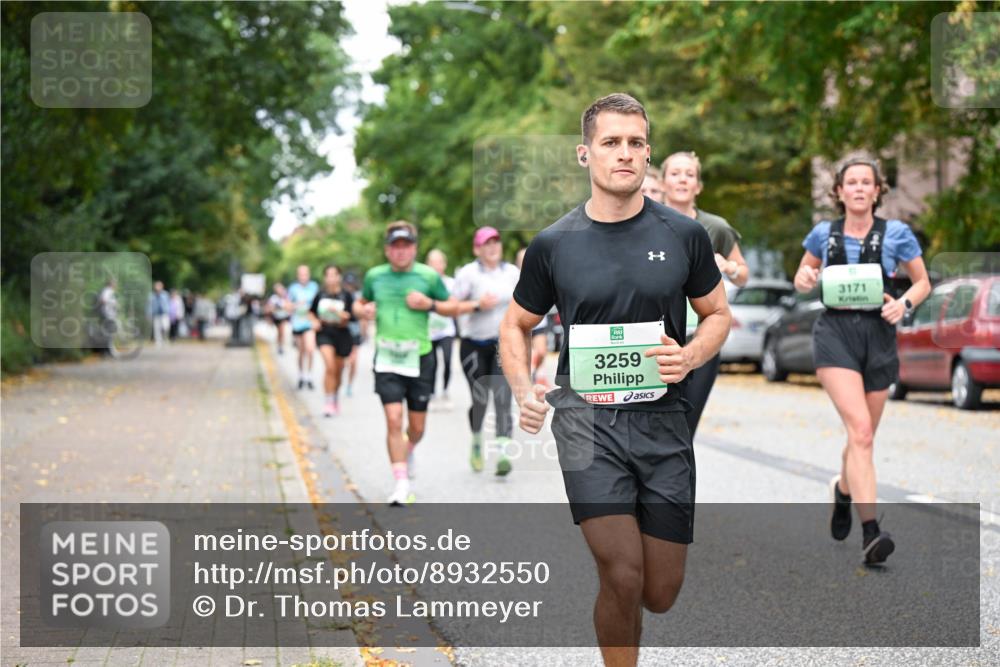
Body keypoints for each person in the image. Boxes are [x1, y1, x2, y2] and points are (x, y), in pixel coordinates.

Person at [500, 93, 730, 666]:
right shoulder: (554, 244)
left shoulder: (684, 235)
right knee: (622, 572)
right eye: (610, 142)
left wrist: (691, 355)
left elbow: (718, 315)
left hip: (664, 424)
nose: (624, 153)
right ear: (585, 154)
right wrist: (524, 392)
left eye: (635, 143)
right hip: (587, 425)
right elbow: (515, 324)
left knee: (659, 591)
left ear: (648, 154)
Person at [793, 156, 929, 565]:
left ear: (876, 191)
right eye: (850, 182)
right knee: (863, 432)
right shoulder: (823, 234)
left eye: (865, 182)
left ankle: (844, 491)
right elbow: (803, 275)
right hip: (835, 335)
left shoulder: (897, 233)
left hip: (879, 336)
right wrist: (805, 278)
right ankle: (872, 533)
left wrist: (903, 304)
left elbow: (922, 282)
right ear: (839, 191)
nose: (858, 188)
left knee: (861, 436)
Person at [353, 221, 457, 505]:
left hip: (420, 357)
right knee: (393, 419)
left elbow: (453, 306)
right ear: (387, 250)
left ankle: (407, 449)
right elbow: (359, 304)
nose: (400, 251)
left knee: (417, 428)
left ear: (414, 248)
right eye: (395, 246)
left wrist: (429, 304)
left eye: (406, 246)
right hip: (387, 358)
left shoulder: (428, 276)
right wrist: (363, 310)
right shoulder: (375, 276)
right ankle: (401, 484)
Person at [660, 151, 749, 437]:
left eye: (689, 175)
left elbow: (743, 275)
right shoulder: (645, 223)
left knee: (685, 429)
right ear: (662, 183)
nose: (682, 179)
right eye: (675, 173)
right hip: (657, 338)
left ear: (698, 186)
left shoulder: (715, 227)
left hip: (700, 339)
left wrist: (730, 267)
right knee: (656, 429)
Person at [451, 227, 520, 475]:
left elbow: (525, 303)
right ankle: (477, 440)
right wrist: (477, 305)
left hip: (502, 345)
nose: (492, 247)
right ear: (476, 249)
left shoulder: (512, 273)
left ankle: (503, 452)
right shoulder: (468, 274)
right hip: (473, 345)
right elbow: (451, 306)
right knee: (480, 399)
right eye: (486, 243)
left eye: (495, 242)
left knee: (502, 397)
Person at [309, 265, 355, 417]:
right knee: (329, 366)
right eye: (328, 275)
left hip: (341, 334)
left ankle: (334, 396)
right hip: (324, 333)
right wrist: (314, 321)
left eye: (334, 275)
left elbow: (352, 316)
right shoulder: (320, 294)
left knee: (338, 370)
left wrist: (342, 315)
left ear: (339, 277)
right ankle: (328, 402)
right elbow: (311, 312)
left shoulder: (346, 295)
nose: (331, 278)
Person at [516, 248, 552, 389]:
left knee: (541, 352)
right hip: (521, 323)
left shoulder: (540, 275)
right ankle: (526, 381)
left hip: (539, 322)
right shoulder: (513, 278)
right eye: (522, 259)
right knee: (524, 355)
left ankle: (536, 372)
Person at [425, 249, 457, 410]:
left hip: (446, 331)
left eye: (439, 262)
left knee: (447, 360)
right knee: (432, 364)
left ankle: (445, 391)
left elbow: (457, 305)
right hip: (429, 332)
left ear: (444, 264)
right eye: (432, 263)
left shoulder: (451, 283)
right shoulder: (424, 283)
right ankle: (431, 394)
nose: (436, 266)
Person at [288, 265, 319, 389]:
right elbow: (287, 306)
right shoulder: (293, 289)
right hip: (297, 323)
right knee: (301, 351)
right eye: (301, 274)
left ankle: (309, 376)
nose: (303, 277)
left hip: (309, 323)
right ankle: (301, 375)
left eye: (305, 274)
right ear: (298, 275)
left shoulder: (314, 287)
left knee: (310, 349)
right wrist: (296, 305)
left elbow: (318, 304)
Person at [343, 273, 363, 397]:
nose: (349, 287)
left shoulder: (359, 297)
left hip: (355, 331)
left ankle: (350, 385)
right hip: (343, 331)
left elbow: (362, 316)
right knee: (343, 361)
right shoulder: (341, 295)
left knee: (353, 361)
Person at [266, 282, 291, 354]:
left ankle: (281, 345)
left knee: (282, 331)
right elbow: (269, 308)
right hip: (276, 317)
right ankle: (279, 345)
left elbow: (289, 306)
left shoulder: (286, 297)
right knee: (279, 332)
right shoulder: (273, 298)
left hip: (284, 317)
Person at [149, 281, 170, 347]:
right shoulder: (152, 295)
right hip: (156, 314)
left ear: (162, 287)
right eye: (156, 286)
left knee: (165, 327)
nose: (157, 287)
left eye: (159, 286)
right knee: (156, 329)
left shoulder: (165, 294)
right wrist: (149, 313)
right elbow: (149, 305)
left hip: (164, 313)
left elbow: (168, 303)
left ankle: (165, 339)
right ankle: (158, 342)